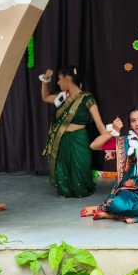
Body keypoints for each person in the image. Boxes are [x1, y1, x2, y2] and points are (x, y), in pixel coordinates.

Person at [40, 66, 109, 198]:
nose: (58, 82)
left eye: (59, 79)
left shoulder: (87, 98)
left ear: (67, 78)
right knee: (62, 168)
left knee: (80, 169)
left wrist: (107, 146)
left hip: (78, 139)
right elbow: (45, 97)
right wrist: (45, 79)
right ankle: (65, 191)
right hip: (61, 139)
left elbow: (99, 123)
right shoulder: (62, 97)